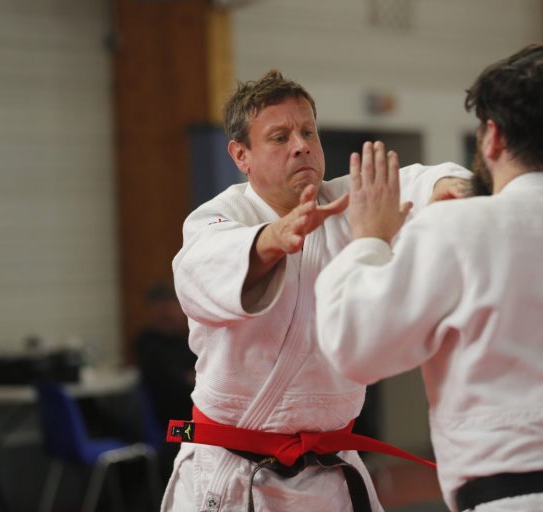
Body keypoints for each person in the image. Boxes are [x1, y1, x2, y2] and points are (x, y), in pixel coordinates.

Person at [315, 44, 543, 512]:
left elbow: (353, 346)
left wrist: (368, 238)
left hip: (520, 499)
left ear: (493, 138)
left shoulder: (460, 228)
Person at [163, 70, 471, 512]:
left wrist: (449, 187)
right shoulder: (216, 218)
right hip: (232, 474)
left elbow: (419, 181)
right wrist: (272, 238)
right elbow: (200, 273)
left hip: (328, 474)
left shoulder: (346, 204)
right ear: (240, 155)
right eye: (279, 136)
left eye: (308, 131)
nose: (301, 144)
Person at [135, 281, 197, 479]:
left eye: (172, 308)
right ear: (152, 312)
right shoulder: (147, 343)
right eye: (162, 310)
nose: (168, 314)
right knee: (220, 438)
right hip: (172, 428)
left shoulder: (187, 341)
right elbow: (179, 381)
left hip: (190, 417)